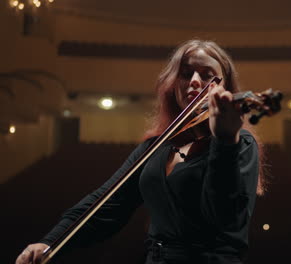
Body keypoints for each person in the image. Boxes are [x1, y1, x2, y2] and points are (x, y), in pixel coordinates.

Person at [15, 39, 266, 264]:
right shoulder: (158, 146)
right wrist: (51, 242)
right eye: (185, 73)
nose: (195, 82)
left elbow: (224, 217)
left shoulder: (239, 143)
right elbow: (107, 203)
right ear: (172, 85)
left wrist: (224, 141)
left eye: (208, 75)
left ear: (224, 89)